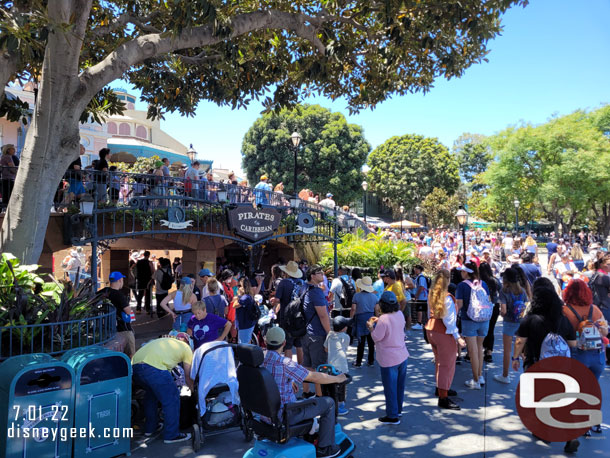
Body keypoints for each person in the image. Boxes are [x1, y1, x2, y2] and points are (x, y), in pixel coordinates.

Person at [512, 277, 579, 454]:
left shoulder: (530, 319)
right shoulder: (563, 320)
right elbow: (572, 344)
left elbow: (520, 341)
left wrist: (515, 358)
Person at [261, 327, 347, 458]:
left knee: (304, 401)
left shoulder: (259, 359)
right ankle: (325, 448)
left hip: (264, 414)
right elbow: (313, 377)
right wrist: (337, 378)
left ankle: (311, 434)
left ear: (265, 340)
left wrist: (289, 381)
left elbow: (269, 379)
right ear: (284, 343)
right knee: (328, 403)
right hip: (286, 414)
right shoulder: (284, 363)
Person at [131, 334, 194, 443]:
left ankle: (150, 428)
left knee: (151, 395)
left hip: (135, 367)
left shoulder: (165, 341)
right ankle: (171, 435)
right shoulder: (187, 349)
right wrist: (192, 390)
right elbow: (188, 375)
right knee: (172, 398)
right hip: (154, 368)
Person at [425, 270, 465, 410]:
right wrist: (458, 337)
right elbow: (449, 321)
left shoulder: (432, 295)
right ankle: (443, 396)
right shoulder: (447, 297)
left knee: (439, 363)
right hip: (443, 332)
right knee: (447, 365)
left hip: (431, 330)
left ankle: (441, 388)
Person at [368, 291, 409, 424]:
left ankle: (392, 415)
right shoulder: (399, 314)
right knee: (399, 386)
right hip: (402, 354)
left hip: (388, 358)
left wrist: (371, 328)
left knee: (390, 387)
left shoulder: (384, 319)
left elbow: (376, 337)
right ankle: (398, 410)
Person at [562, 279, 608, 382]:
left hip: (576, 354)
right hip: (597, 355)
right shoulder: (595, 309)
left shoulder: (564, 310)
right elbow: (605, 332)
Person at [455, 262, 491, 389]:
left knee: (472, 351)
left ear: (466, 272)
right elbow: (488, 300)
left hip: (469, 319)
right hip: (484, 319)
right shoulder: (483, 283)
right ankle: (480, 376)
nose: (461, 273)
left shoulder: (461, 286)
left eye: (462, 271)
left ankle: (475, 380)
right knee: (479, 348)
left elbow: (459, 305)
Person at [493, 267, 528, 384]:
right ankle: (529, 373)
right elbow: (526, 306)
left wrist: (501, 313)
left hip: (509, 322)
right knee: (523, 350)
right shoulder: (522, 291)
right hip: (521, 323)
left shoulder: (504, 291)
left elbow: (503, 310)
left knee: (507, 351)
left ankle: (505, 375)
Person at [302, 265, 332, 397]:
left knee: (307, 365)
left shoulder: (304, 288)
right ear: (312, 276)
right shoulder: (316, 292)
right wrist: (330, 333)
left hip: (305, 332)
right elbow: (323, 315)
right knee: (319, 368)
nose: (322, 275)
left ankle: (306, 392)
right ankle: (320, 398)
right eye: (319, 273)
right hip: (317, 334)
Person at [272, 260, 305, 362]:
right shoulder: (302, 283)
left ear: (286, 272)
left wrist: (273, 301)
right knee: (299, 344)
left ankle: (288, 369)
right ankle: (302, 367)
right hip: (300, 316)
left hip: (287, 316)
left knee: (288, 345)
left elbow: (277, 300)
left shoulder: (283, 283)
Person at [324, 316, 351, 415]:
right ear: (343, 328)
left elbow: (325, 349)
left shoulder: (330, 335)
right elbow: (345, 348)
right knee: (342, 385)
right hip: (342, 365)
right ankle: (340, 405)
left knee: (333, 384)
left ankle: (333, 403)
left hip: (331, 364)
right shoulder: (346, 337)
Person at [105, 271, 135, 357]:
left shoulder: (104, 291)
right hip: (123, 328)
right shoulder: (119, 295)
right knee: (131, 353)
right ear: (120, 280)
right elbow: (128, 311)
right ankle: (130, 369)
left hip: (108, 327)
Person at [351, 276, 378, 367]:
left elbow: (353, 309)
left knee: (360, 342)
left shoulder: (357, 296)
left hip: (360, 318)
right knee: (371, 342)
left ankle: (358, 361)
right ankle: (371, 360)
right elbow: (377, 310)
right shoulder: (374, 297)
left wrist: (351, 319)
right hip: (371, 318)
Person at [480, 262, 501, 363]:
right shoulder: (495, 281)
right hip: (494, 306)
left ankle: (480, 347)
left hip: (482, 307)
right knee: (491, 329)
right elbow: (501, 291)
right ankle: (489, 352)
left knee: (481, 328)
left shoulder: (479, 281)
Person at [234, 277, 257, 344]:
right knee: (247, 343)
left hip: (245, 325)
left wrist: (237, 297)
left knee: (243, 345)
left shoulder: (245, 297)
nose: (237, 288)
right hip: (246, 324)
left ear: (244, 287)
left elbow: (234, 305)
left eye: (239, 286)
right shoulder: (247, 296)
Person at [412, 265, 429, 329]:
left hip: (422, 296)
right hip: (423, 296)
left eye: (416, 269)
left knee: (420, 309)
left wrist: (417, 295)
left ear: (419, 270)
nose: (415, 270)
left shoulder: (421, 277)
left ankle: (419, 323)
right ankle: (423, 322)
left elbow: (421, 287)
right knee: (422, 309)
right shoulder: (419, 277)